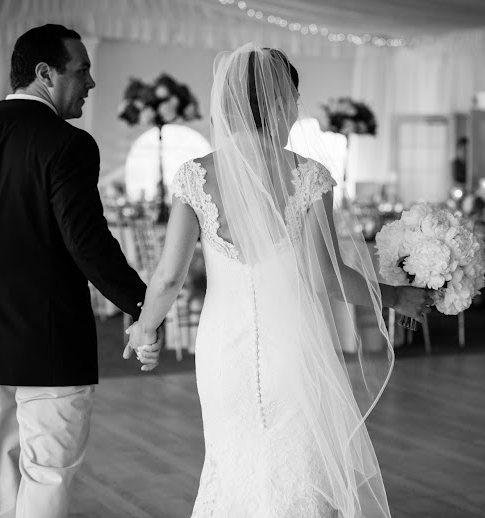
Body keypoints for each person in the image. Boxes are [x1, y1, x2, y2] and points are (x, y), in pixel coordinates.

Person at [123, 44, 432, 516]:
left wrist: (145, 329)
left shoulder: (195, 176)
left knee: (232, 462)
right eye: (294, 100)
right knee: (298, 471)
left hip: (222, 352)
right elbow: (328, 278)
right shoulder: (309, 176)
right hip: (296, 348)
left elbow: (167, 279)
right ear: (281, 101)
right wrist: (395, 297)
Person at [0, 24, 157, 518]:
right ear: (45, 73)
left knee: (1, 468)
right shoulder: (68, 144)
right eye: (82, 70)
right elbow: (86, 241)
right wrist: (145, 304)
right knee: (48, 472)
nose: (91, 82)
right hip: (49, 339)